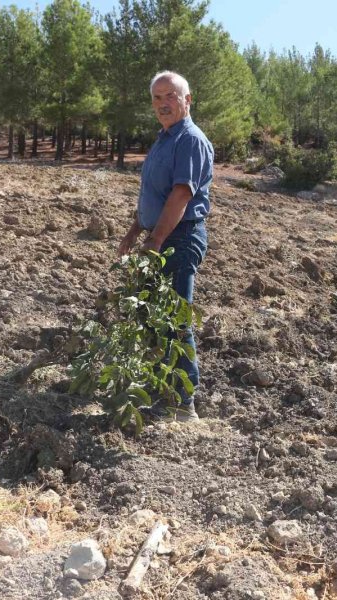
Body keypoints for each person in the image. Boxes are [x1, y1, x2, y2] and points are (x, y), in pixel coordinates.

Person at [117, 71, 213, 422]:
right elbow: (153, 195)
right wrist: (134, 232)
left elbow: (181, 195)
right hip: (159, 236)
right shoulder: (164, 139)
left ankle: (183, 402)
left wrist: (155, 240)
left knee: (174, 318)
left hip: (179, 238)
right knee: (154, 318)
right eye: (157, 98)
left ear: (188, 100)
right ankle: (163, 391)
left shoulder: (189, 140)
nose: (162, 104)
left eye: (170, 96)